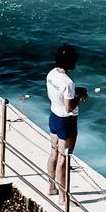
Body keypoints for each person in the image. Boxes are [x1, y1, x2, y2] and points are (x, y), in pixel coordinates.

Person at [45, 43, 87, 199]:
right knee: (64, 158)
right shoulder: (68, 83)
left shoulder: (51, 74)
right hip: (67, 121)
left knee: (54, 153)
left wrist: (75, 92)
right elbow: (69, 107)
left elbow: (57, 93)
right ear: (69, 61)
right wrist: (80, 97)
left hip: (54, 116)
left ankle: (51, 188)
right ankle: (64, 197)